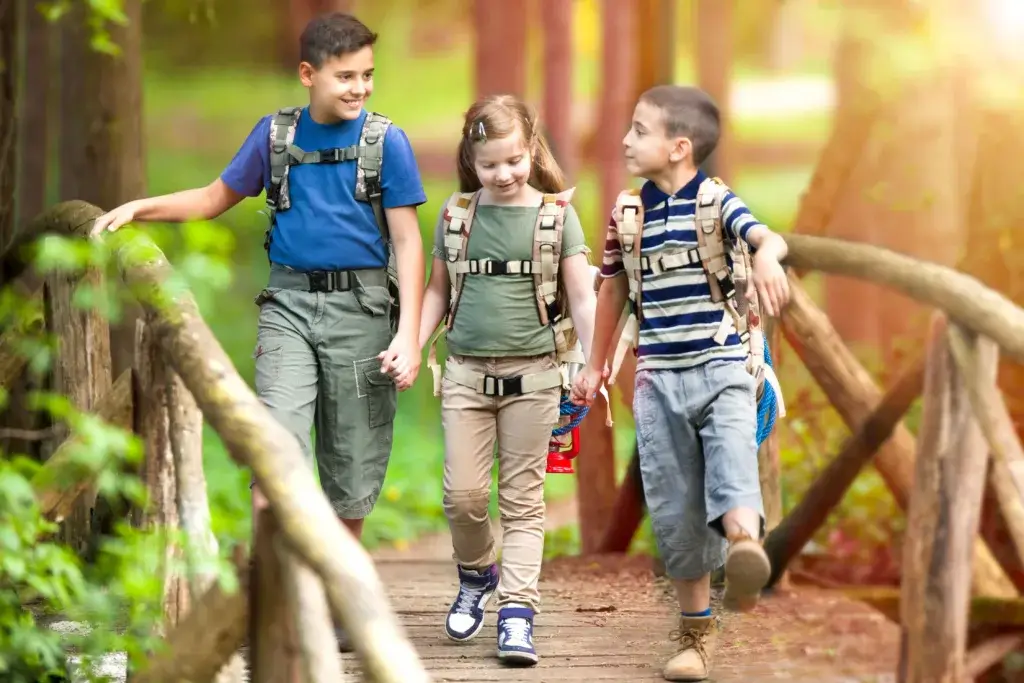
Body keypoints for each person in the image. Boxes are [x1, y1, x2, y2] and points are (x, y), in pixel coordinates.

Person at [90, 12, 426, 650]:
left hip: (363, 312)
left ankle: (334, 589)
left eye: (368, 76)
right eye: (345, 76)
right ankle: (277, 594)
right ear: (308, 74)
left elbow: (408, 244)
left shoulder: (389, 144)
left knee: (352, 460)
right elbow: (217, 196)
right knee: (276, 447)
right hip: (289, 309)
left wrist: (408, 334)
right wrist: (143, 207)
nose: (359, 88)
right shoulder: (274, 137)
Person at [572, 84, 791, 682]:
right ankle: (696, 636)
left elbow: (766, 237)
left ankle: (745, 547)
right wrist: (595, 366)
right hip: (657, 378)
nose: (625, 140)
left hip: (723, 368)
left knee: (730, 457)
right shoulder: (627, 213)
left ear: (679, 147)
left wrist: (769, 258)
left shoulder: (718, 203)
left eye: (639, 130)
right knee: (673, 503)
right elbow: (614, 289)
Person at [417, 94, 597, 666]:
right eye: (489, 164)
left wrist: (591, 364)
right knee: (463, 497)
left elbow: (581, 296)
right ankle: (477, 575)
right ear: (471, 159)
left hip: (537, 376)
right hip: (467, 376)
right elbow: (437, 291)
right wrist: (412, 344)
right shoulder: (456, 215)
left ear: (531, 149)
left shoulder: (555, 216)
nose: (503, 174)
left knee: (523, 501)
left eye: (515, 161)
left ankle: (518, 613)